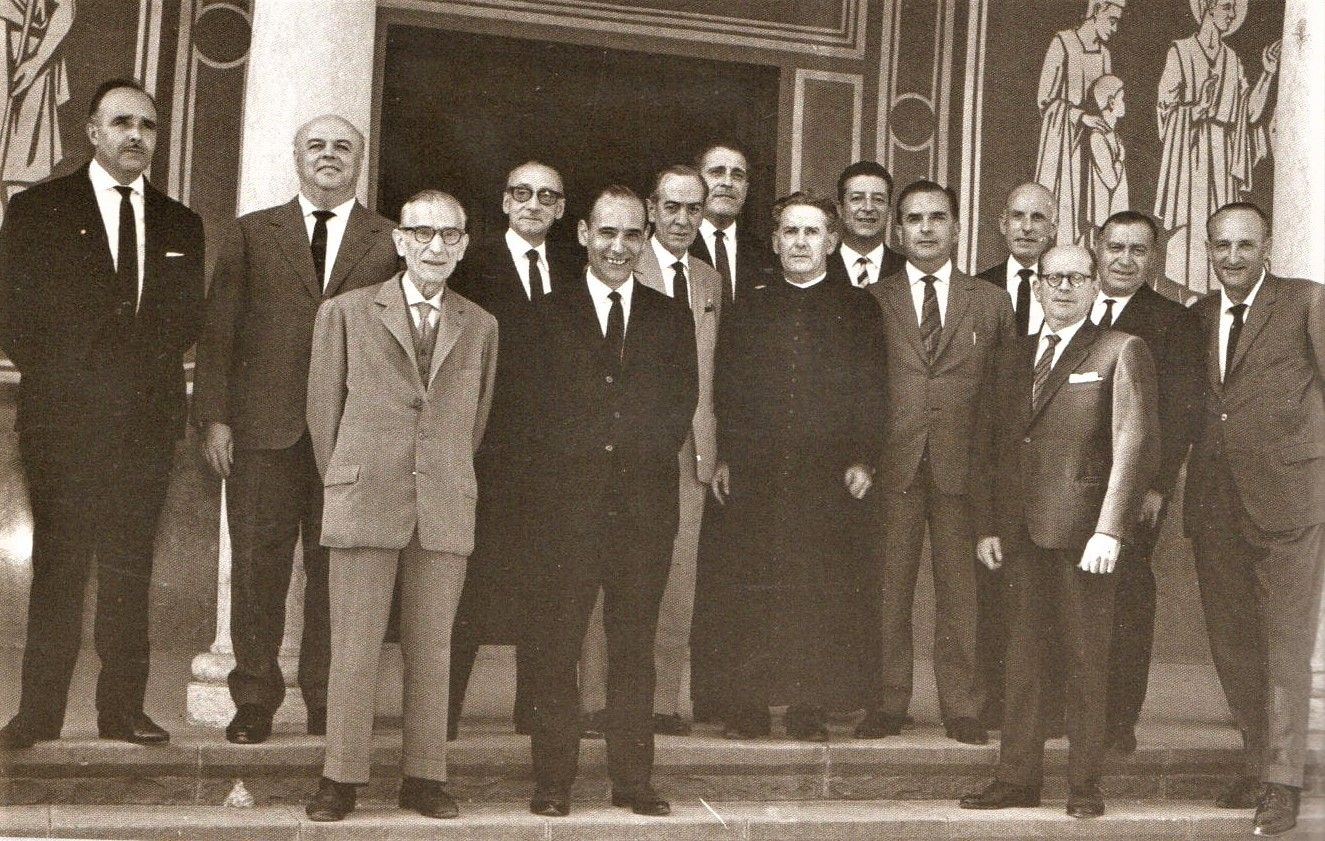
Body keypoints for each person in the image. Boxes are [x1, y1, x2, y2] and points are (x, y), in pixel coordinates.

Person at [0, 79, 205, 748]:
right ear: (92, 131)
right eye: (121, 122)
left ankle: (123, 709)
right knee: (59, 565)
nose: (136, 135)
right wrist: (73, 377)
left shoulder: (181, 223)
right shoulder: (39, 210)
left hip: (144, 426)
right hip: (61, 422)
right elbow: (13, 315)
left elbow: (181, 322)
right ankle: (37, 714)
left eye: (147, 124)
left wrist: (131, 384)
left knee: (127, 568)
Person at [193, 114, 399, 744]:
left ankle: (326, 703)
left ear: (360, 161)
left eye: (343, 147)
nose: (329, 155)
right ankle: (253, 701)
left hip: (352, 436)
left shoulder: (390, 239)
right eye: (317, 145)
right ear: (296, 157)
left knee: (338, 575)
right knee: (258, 568)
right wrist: (216, 418)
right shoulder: (252, 234)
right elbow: (219, 333)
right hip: (262, 432)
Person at [302, 190, 496, 822]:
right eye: (422, 234)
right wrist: (349, 477)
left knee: (432, 648)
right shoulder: (346, 312)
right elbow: (322, 411)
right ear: (399, 241)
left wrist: (440, 472)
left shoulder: (480, 324)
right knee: (353, 647)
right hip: (364, 497)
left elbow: (476, 422)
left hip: (441, 500)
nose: (435, 246)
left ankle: (425, 775)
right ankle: (340, 777)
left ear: (464, 245)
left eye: (449, 235)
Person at [961, 244, 1156, 820]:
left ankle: (1084, 785)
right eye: (1053, 278)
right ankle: (1016, 780)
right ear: (1038, 286)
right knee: (1020, 659)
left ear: (1095, 285)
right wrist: (988, 526)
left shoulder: (1122, 350)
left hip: (1084, 539)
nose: (1064, 287)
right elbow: (992, 447)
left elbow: (1134, 446)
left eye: (1076, 277)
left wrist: (1111, 530)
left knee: (1086, 662)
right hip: (1019, 534)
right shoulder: (1013, 355)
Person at [525, 186, 696, 818]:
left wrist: (626, 462)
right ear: (582, 235)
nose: (618, 247)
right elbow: (530, 414)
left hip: (642, 510)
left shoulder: (669, 315)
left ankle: (632, 779)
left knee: (634, 645)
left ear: (643, 235)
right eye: (607, 233)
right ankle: (553, 779)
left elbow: (679, 406)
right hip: (565, 512)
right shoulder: (545, 313)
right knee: (555, 643)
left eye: (631, 235)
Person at [710, 191, 884, 742]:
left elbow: (875, 389)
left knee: (821, 586)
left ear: (832, 242)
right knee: (753, 583)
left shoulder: (858, 308)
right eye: (791, 232)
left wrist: (865, 457)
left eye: (812, 233)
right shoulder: (750, 307)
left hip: (828, 474)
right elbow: (727, 389)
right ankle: (749, 704)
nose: (801, 242)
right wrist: (726, 456)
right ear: (775, 240)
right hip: (758, 470)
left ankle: (810, 704)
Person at [1183, 203, 1324, 837]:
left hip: (1292, 501)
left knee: (1286, 648)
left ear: (1266, 245)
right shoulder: (1200, 316)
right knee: (1233, 645)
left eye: (1245, 245)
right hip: (1216, 503)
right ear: (1208, 250)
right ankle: (1254, 758)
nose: (1233, 257)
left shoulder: (1306, 302)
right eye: (1221, 246)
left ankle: (1282, 783)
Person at [863, 180, 1014, 746]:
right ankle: (886, 702)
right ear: (897, 231)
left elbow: (1001, 399)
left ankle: (963, 707)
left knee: (962, 592)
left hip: (963, 469)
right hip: (893, 464)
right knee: (888, 588)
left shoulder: (990, 302)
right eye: (914, 219)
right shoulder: (876, 299)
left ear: (956, 226)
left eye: (937, 217)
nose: (926, 228)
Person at [579, 165, 723, 737]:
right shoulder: (618, 263)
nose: (683, 219)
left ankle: (661, 703)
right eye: (672, 207)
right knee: (602, 578)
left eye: (694, 209)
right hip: (624, 449)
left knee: (676, 578)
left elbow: (712, 375)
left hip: (690, 451)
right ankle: (595, 700)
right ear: (651, 208)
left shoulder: (710, 281)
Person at [447, 161, 576, 740]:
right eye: (522, 194)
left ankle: (535, 711)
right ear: (503, 202)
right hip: (484, 448)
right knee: (467, 587)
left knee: (548, 584)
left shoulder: (577, 269)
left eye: (546, 197)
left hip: (556, 457)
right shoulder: (468, 267)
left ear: (561, 209)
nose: (533, 205)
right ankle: (442, 716)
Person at [1090, 210, 1202, 755]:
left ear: (1152, 258)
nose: (1124, 260)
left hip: (1134, 485)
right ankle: (1074, 710)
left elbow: (1180, 411)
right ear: (1096, 246)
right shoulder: (1070, 303)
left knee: (1125, 597)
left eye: (1137, 250)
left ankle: (1117, 720)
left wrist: (1155, 486)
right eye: (1115, 247)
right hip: (1069, 483)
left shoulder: (1172, 321)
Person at [1154, 0, 1278, 294]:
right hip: (1190, 156)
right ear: (1207, 8)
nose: (1232, 14)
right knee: (1190, 230)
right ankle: (1183, 296)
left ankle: (1212, 298)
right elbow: (1165, 111)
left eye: (1234, 8)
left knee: (1223, 229)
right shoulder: (1180, 52)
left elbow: (1248, 114)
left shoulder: (1232, 59)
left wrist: (1268, 73)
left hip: (1222, 157)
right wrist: (1197, 109)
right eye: (1226, 6)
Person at [1034, 0, 1125, 244]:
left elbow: (1106, 97)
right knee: (1065, 213)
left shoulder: (1105, 54)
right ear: (1096, 11)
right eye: (1112, 20)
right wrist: (1081, 117)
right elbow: (1046, 100)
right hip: (1065, 147)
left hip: (1094, 147)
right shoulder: (1063, 43)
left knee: (1092, 217)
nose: (1115, 29)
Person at [688, 142, 770, 307]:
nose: (727, 183)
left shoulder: (763, 253)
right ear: (696, 183)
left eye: (737, 175)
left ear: (746, 189)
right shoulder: (679, 245)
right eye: (717, 173)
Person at [977, 183, 1058, 338]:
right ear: (1003, 224)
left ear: (1053, 229)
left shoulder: (1067, 288)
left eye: (1037, 217)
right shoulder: (978, 286)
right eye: (1018, 216)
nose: (1027, 227)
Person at [828, 160, 904, 288]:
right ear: (840, 209)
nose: (868, 208)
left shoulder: (906, 269)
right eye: (857, 198)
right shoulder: (820, 265)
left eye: (878, 199)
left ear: (889, 211)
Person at [1084, 75, 1129, 238]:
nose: (1125, 103)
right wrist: (1119, 160)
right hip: (1102, 225)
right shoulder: (1097, 137)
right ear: (1111, 102)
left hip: (1115, 220)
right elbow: (1111, 181)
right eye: (1122, 99)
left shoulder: (1114, 136)